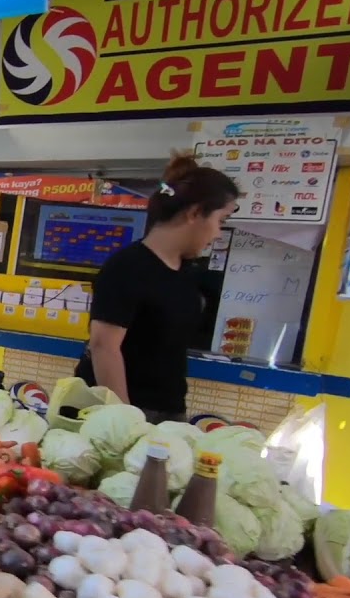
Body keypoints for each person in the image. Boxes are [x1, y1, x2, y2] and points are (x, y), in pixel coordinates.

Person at [74, 154, 239, 424]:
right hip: (119, 411)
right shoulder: (126, 267)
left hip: (169, 410)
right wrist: (125, 420)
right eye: (220, 220)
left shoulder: (189, 271)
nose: (218, 233)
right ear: (195, 213)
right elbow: (104, 346)